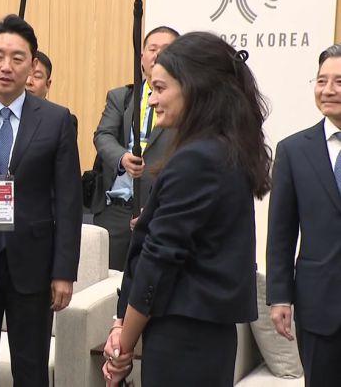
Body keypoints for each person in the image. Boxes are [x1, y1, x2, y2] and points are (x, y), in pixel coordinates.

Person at [103, 32, 272, 386]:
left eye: (160, 89)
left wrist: (123, 347)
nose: (152, 100)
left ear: (194, 88)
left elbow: (159, 261)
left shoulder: (198, 159)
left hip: (184, 342)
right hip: (202, 338)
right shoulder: (220, 149)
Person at [0, 14, 82, 387]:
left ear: (32, 64)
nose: (6, 66)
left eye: (17, 58)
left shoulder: (56, 120)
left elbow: (69, 201)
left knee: (31, 369)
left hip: (34, 265)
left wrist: (64, 271)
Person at [267, 43, 341, 387]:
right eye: (322, 80)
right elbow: (281, 233)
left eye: (339, 81)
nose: (328, 90)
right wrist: (279, 296)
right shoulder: (293, 151)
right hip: (319, 306)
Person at [91, 26, 179, 271]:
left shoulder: (186, 103)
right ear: (141, 57)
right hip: (115, 211)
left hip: (158, 212)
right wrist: (122, 157)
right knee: (107, 284)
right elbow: (103, 135)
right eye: (152, 49)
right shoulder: (121, 97)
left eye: (166, 50)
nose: (157, 55)